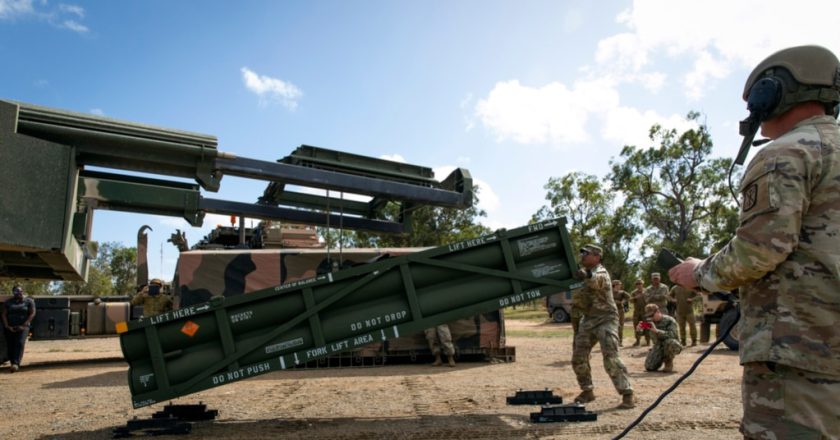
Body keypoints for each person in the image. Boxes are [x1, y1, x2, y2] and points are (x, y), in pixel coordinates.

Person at [668, 45, 840, 439]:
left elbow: (758, 251)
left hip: (802, 356)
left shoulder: (786, 154)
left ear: (772, 92)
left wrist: (701, 272)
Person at [570, 244, 634, 409]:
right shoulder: (583, 273)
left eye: (587, 253)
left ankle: (627, 394)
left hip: (606, 319)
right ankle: (587, 391)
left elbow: (596, 280)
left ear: (597, 257)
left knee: (611, 358)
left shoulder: (601, 272)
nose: (583, 256)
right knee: (578, 357)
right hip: (589, 319)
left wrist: (586, 274)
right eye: (582, 253)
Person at [638, 304, 681, 373]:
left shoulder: (669, 320)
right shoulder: (650, 323)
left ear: (658, 312)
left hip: (671, 345)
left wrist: (657, 331)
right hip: (658, 346)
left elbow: (673, 335)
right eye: (649, 316)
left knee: (670, 342)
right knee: (649, 367)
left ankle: (668, 361)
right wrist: (639, 330)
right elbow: (643, 334)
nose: (651, 318)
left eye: (652, 315)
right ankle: (659, 358)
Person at [2, 285, 36, 373]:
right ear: (13, 293)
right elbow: (4, 314)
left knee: (20, 343)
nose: (19, 293)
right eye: (17, 292)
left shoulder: (28, 301)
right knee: (10, 345)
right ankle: (12, 363)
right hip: (10, 327)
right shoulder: (8, 302)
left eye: (20, 291)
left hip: (23, 327)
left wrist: (24, 325)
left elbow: (32, 313)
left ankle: (16, 364)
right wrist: (7, 326)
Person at [630, 279, 650, 347]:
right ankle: (638, 341)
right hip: (637, 312)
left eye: (640, 284)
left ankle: (648, 341)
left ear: (642, 284)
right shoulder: (634, 292)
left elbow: (650, 300)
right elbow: (630, 301)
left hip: (645, 312)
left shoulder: (647, 291)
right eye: (637, 284)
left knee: (646, 325)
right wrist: (635, 298)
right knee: (637, 326)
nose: (639, 285)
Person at [612, 280, 631, 346]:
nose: (619, 286)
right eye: (618, 285)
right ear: (614, 285)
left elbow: (629, 297)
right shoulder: (609, 292)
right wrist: (614, 301)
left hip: (620, 311)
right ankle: (613, 341)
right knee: (612, 326)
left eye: (620, 285)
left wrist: (623, 301)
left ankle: (620, 341)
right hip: (612, 311)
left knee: (620, 326)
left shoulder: (622, 292)